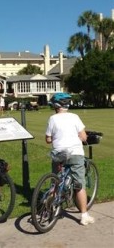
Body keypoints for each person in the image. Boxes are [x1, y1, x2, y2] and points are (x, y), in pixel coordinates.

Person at [45, 92, 94, 226]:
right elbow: (83, 136)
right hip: (75, 153)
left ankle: (51, 207)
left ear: (55, 106)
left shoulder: (52, 119)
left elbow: (48, 139)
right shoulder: (74, 117)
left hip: (58, 153)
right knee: (79, 184)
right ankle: (84, 215)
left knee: (56, 181)